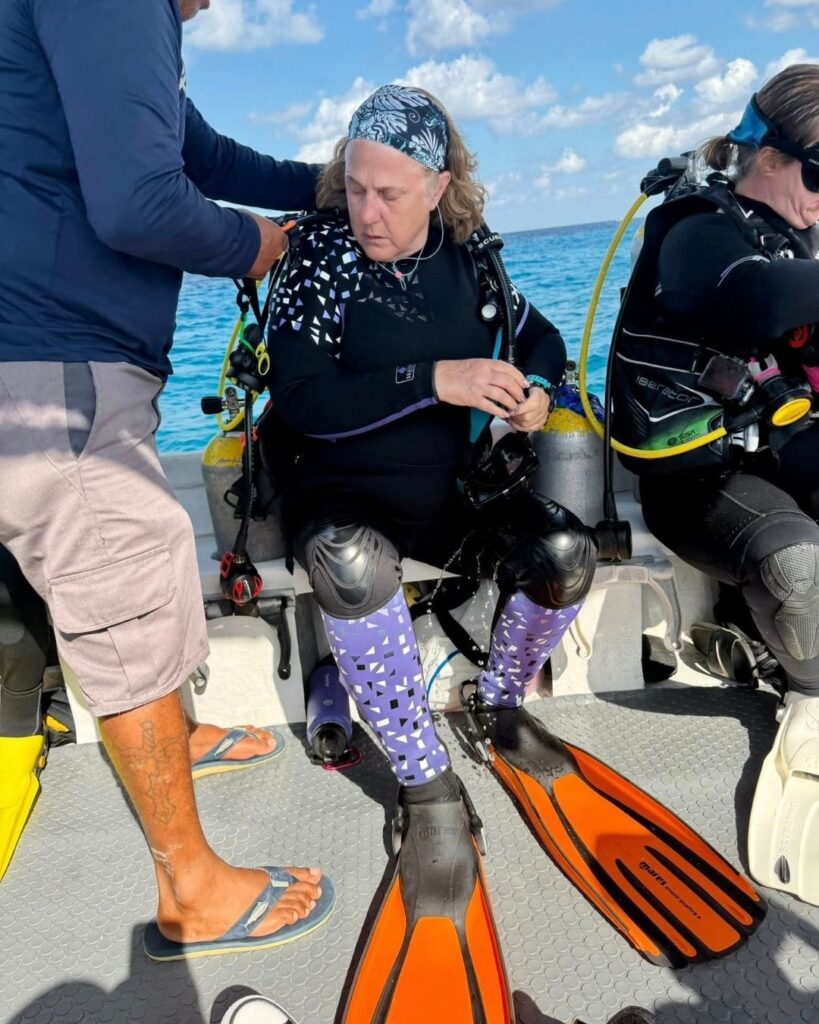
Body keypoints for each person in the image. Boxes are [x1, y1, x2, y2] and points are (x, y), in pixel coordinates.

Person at [0, 0, 334, 960]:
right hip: (51, 367)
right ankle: (193, 890)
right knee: (122, 586)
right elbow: (140, 201)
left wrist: (320, 185)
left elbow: (203, 154)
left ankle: (177, 739)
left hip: (55, 355)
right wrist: (255, 246)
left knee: (133, 568)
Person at [263, 83, 600, 1017]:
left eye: (389, 194)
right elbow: (302, 399)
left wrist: (534, 388)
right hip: (337, 494)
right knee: (350, 567)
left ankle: (498, 708)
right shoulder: (319, 256)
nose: (365, 211)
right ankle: (424, 789)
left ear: (437, 184)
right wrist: (435, 377)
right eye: (355, 187)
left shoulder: (474, 262)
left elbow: (541, 342)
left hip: (445, 496)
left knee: (566, 554)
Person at [625, 63, 819, 906]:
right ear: (767, 156)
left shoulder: (798, 237)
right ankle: (809, 695)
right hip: (699, 479)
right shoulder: (696, 228)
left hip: (783, 449)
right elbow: (747, 303)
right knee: (798, 569)